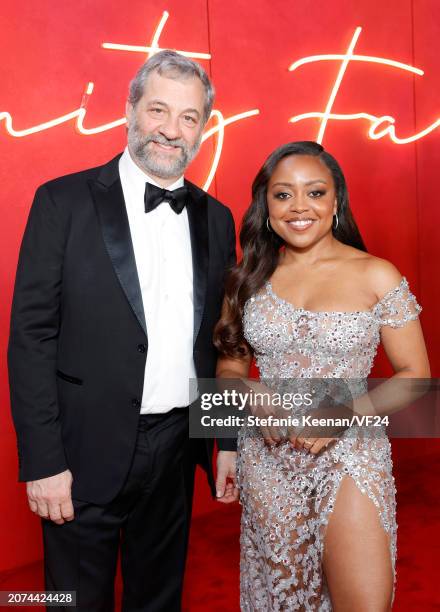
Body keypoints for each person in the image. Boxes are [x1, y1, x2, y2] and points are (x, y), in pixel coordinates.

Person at [8, 50, 236, 611]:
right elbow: (30, 338)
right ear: (130, 109)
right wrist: (42, 462)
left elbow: (221, 341)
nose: (171, 129)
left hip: (176, 449)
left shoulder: (217, 217)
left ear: (203, 129)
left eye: (189, 117)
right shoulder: (62, 201)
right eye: (158, 109)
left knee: (158, 600)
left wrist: (225, 439)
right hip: (80, 452)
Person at [214, 141, 430, 610]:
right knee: (289, 602)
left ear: (336, 202)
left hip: (352, 451)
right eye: (283, 194)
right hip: (268, 458)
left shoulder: (377, 274)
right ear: (265, 205)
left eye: (315, 192)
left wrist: (344, 413)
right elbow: (229, 366)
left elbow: (415, 376)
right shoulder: (246, 277)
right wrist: (248, 390)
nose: (299, 207)